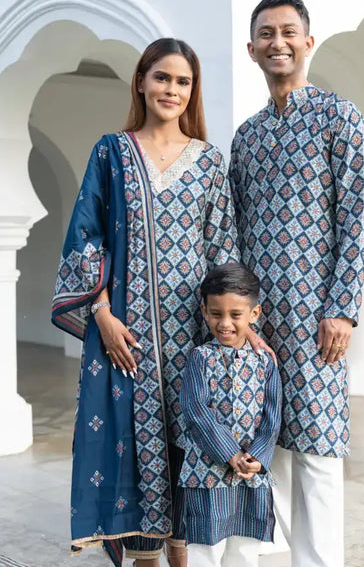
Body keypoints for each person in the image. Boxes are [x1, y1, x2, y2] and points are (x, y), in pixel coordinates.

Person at [52, 38, 247, 567]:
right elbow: (86, 236)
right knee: (134, 464)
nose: (172, 90)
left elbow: (223, 251)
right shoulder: (111, 152)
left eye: (183, 82)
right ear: (141, 81)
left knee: (188, 458)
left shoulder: (209, 163)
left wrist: (231, 338)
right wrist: (102, 315)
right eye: (162, 78)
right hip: (128, 340)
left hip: (193, 343)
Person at [228, 0, 364, 567]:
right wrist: (239, 321)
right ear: (251, 49)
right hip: (260, 327)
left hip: (317, 321)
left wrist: (341, 307)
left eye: (288, 32)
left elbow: (357, 220)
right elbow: (235, 238)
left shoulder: (341, 119)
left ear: (308, 42)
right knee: (269, 450)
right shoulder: (248, 137)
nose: (278, 43)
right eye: (267, 34)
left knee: (316, 454)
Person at [178, 262, 282, 567]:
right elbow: (197, 411)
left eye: (235, 315)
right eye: (216, 313)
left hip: (252, 475)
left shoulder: (266, 362)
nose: (225, 323)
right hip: (206, 474)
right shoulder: (200, 358)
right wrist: (230, 454)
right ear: (204, 311)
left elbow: (272, 418)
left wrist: (258, 458)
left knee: (246, 549)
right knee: (205, 550)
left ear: (254, 313)